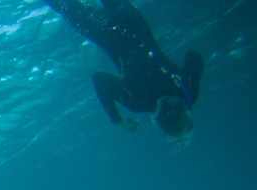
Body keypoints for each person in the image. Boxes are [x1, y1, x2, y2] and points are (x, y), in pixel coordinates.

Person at [43, 0, 203, 140]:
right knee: (62, 4)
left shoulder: (185, 88)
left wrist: (190, 88)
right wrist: (117, 120)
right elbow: (99, 79)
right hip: (105, 31)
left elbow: (193, 55)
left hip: (132, 21)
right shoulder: (138, 102)